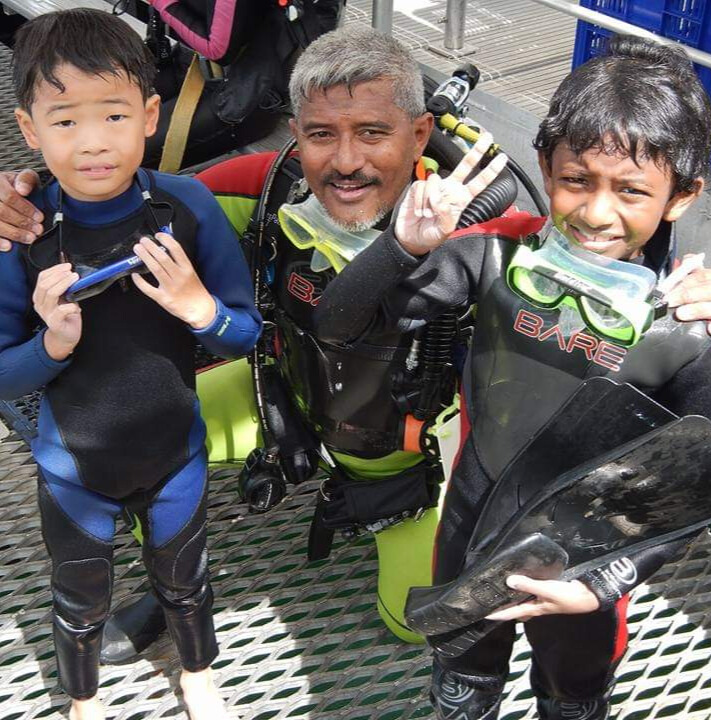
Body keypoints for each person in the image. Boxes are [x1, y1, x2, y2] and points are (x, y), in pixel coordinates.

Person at [0, 25, 514, 661]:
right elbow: (117, 194)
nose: (347, 161)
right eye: (322, 134)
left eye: (374, 134)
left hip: (403, 458)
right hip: (278, 399)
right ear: (296, 135)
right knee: (130, 440)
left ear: (418, 133)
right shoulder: (263, 185)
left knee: (415, 622)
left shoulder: (493, 233)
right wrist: (21, 195)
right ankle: (173, 582)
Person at [313, 36, 711, 720]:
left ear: (682, 196)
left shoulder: (682, 330)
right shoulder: (492, 263)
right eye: (575, 180)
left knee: (573, 691)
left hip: (587, 564)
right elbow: (337, 325)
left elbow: (704, 479)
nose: (596, 213)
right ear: (544, 165)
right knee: (462, 681)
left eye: (631, 191)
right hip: (470, 532)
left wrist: (604, 583)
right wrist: (399, 246)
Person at [0, 9, 261, 720]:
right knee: (78, 597)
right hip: (73, 467)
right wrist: (49, 344)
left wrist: (198, 307)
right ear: (27, 129)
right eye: (64, 122)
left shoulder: (186, 207)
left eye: (113, 115)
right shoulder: (22, 232)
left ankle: (199, 678)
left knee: (187, 583)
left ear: (149, 115)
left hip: (174, 452)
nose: (92, 144)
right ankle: (84, 701)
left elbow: (245, 335)